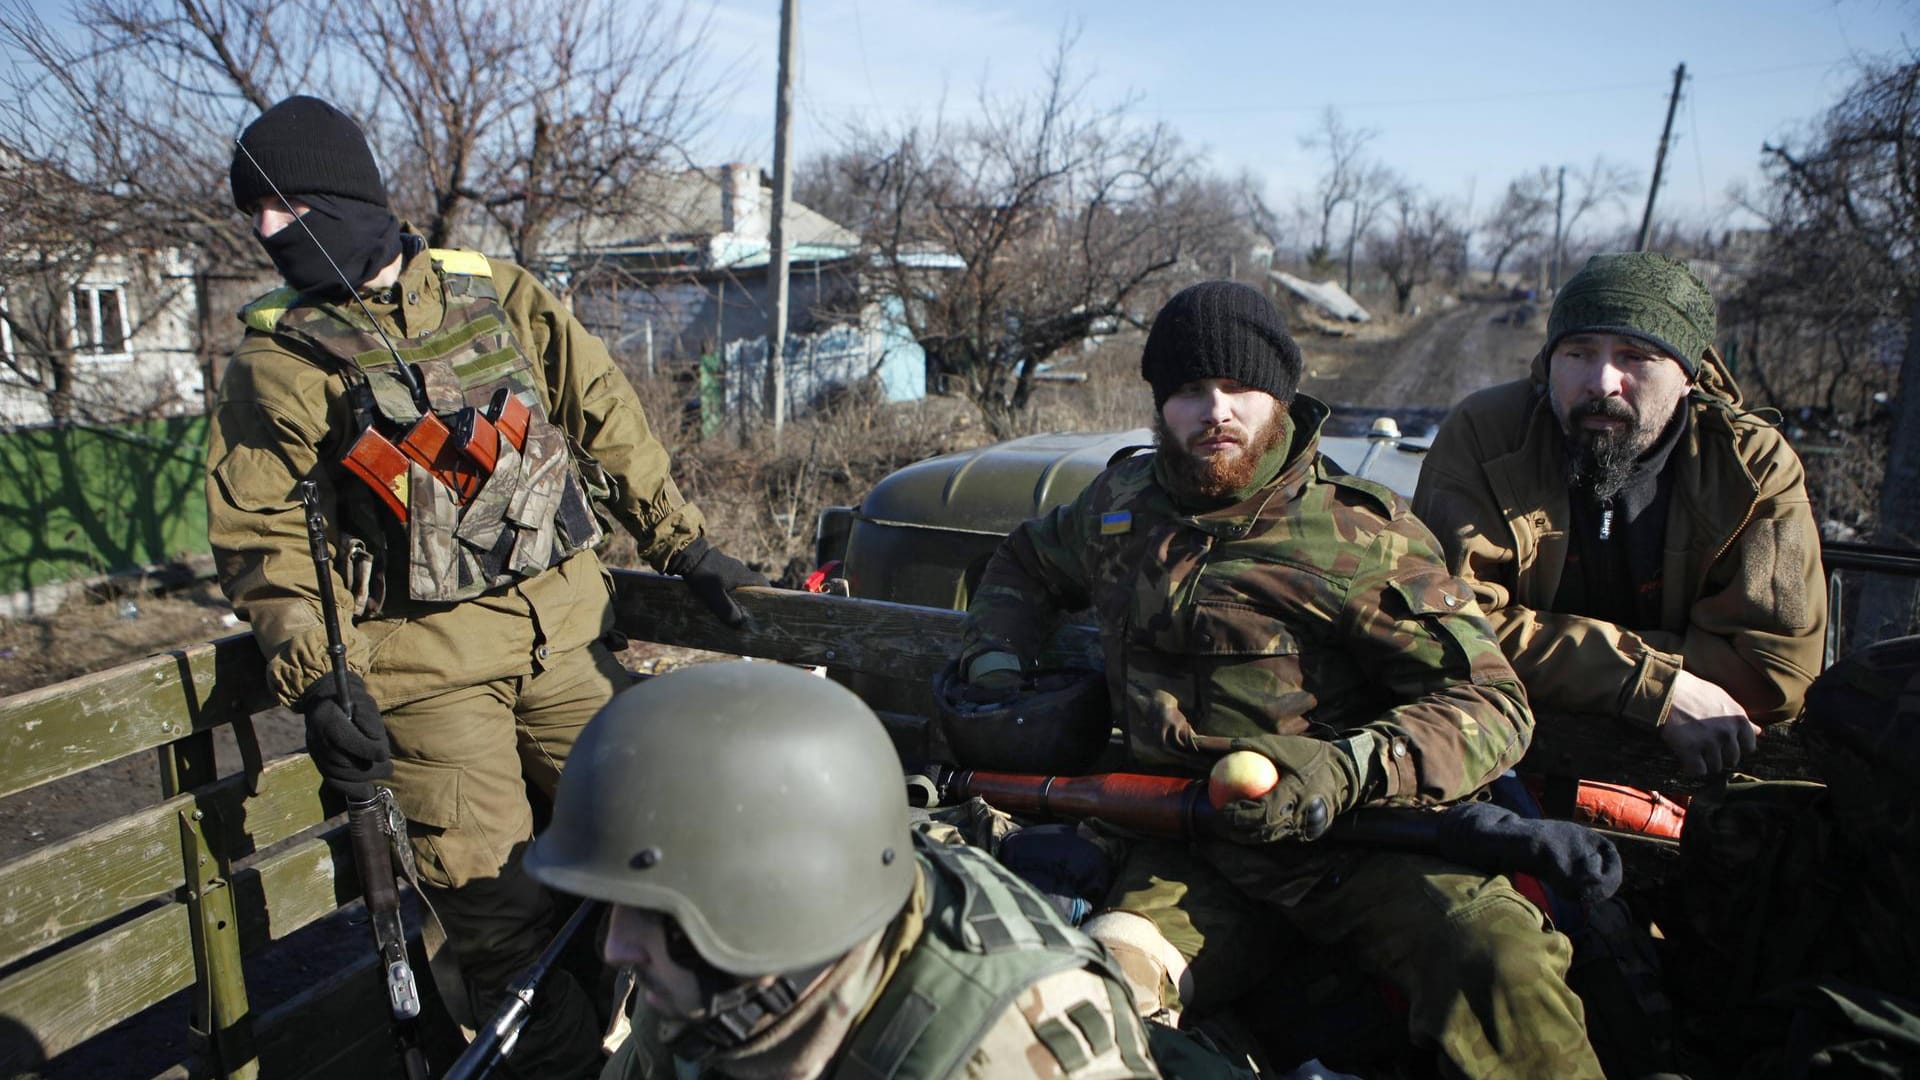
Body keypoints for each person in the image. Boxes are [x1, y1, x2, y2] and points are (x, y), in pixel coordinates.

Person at [207, 95, 766, 1076]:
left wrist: (684, 545)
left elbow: (604, 410)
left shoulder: (495, 292)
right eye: (252, 211)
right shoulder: (278, 360)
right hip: (428, 685)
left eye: (285, 205)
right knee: (506, 936)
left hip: (568, 641)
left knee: (666, 854)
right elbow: (259, 537)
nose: (265, 231)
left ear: (345, 196)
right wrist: (317, 677)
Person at [955, 281, 1603, 1078]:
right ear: (1161, 404)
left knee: (1501, 966)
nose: (1215, 410)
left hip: (1361, 847)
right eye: (1190, 390)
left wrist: (1349, 769)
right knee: (1086, 1009)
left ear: (1281, 396)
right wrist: (995, 662)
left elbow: (1493, 704)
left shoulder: (1361, 534)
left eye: (1239, 387)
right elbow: (1024, 559)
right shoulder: (1122, 505)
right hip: (1185, 854)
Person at [523, 661, 1165, 1080]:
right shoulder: (713, 978)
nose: (614, 946)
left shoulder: (1014, 1055)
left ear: (796, 904)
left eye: (656, 911)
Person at [1412, 252, 1826, 775]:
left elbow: (1776, 673)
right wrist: (1650, 684)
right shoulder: (1487, 435)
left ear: (1689, 377)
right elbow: (1445, 628)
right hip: (1504, 750)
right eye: (1578, 353)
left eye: (1635, 357)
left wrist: (1542, 651)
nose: (1602, 382)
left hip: (1692, 773)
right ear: (1550, 362)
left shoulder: (1750, 466)